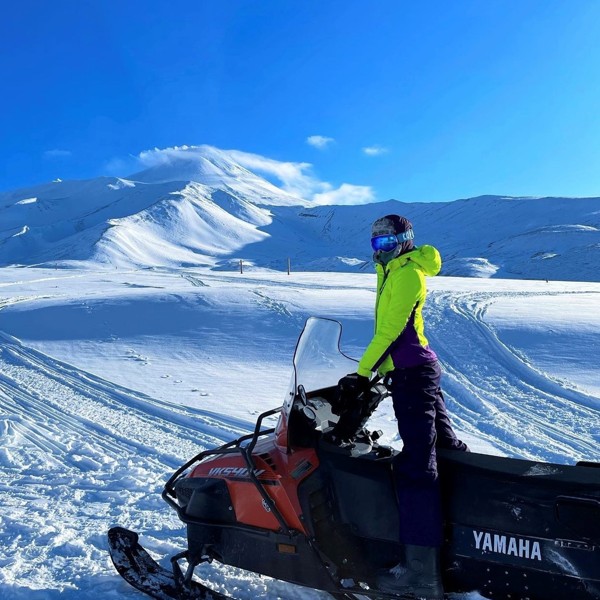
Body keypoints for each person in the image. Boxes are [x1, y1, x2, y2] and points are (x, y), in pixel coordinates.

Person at [337, 214, 467, 600]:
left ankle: (421, 577)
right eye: (376, 245)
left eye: (388, 243)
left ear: (406, 240)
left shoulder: (407, 273)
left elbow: (391, 331)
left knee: (416, 467)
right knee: (443, 451)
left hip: (414, 374)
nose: (382, 251)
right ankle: (461, 540)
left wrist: (362, 374)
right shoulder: (394, 270)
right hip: (412, 371)